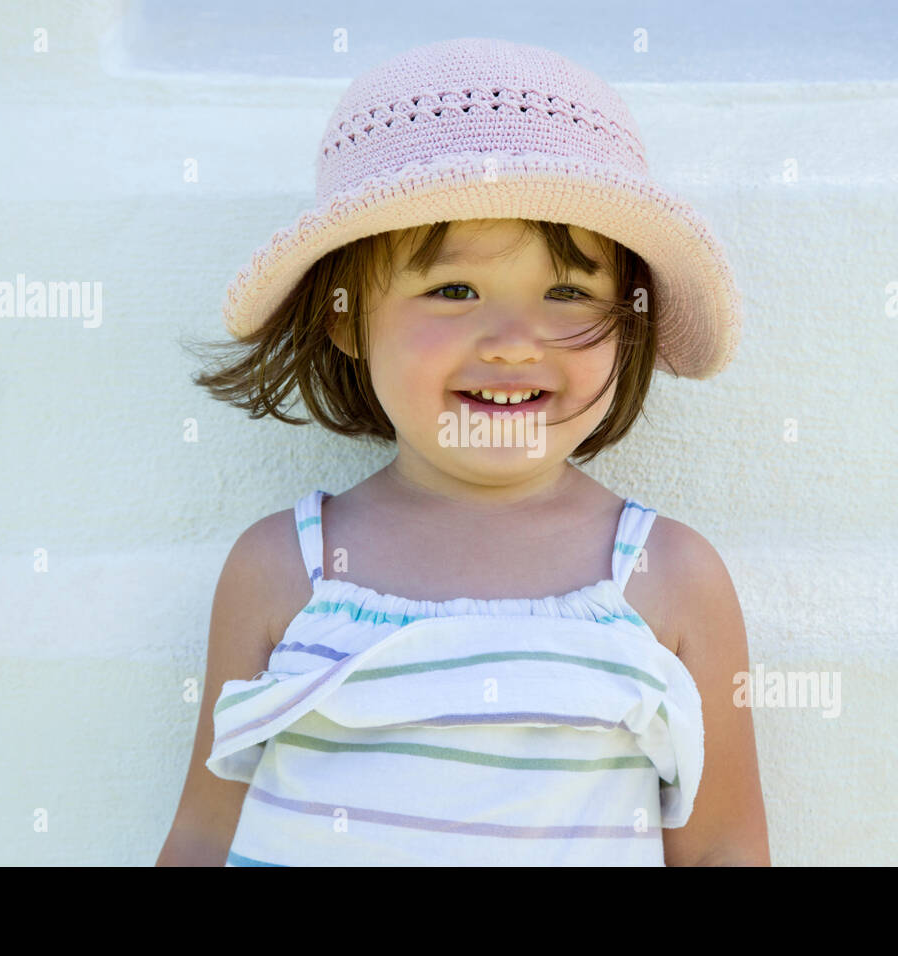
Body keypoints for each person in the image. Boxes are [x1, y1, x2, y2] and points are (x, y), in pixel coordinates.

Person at [157, 36, 769, 866]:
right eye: (453, 290)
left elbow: (722, 847)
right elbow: (202, 833)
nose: (514, 344)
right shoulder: (283, 568)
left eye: (568, 292)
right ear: (344, 315)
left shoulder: (667, 579)